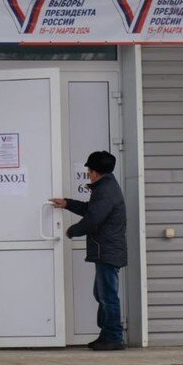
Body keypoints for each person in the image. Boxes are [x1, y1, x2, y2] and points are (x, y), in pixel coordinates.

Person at [50, 150, 127, 351]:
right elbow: (91, 210)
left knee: (107, 295)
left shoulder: (105, 190)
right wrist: (67, 203)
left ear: (94, 172)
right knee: (101, 293)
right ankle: (107, 334)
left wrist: (72, 231)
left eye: (88, 170)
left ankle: (114, 337)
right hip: (106, 249)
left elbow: (93, 220)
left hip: (107, 250)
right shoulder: (105, 187)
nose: (87, 173)